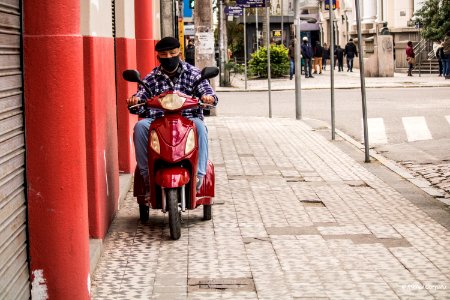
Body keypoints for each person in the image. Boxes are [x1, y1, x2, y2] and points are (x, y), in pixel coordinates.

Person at [127, 37, 217, 192]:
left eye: (172, 53)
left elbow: (209, 94)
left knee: (201, 127)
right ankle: (146, 175)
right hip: (159, 121)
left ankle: (199, 175)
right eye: (164, 54)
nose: (168, 57)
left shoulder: (194, 74)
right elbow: (141, 96)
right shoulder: (152, 77)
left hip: (188, 119)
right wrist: (135, 100)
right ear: (158, 57)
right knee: (140, 127)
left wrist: (208, 98)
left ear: (179, 54)